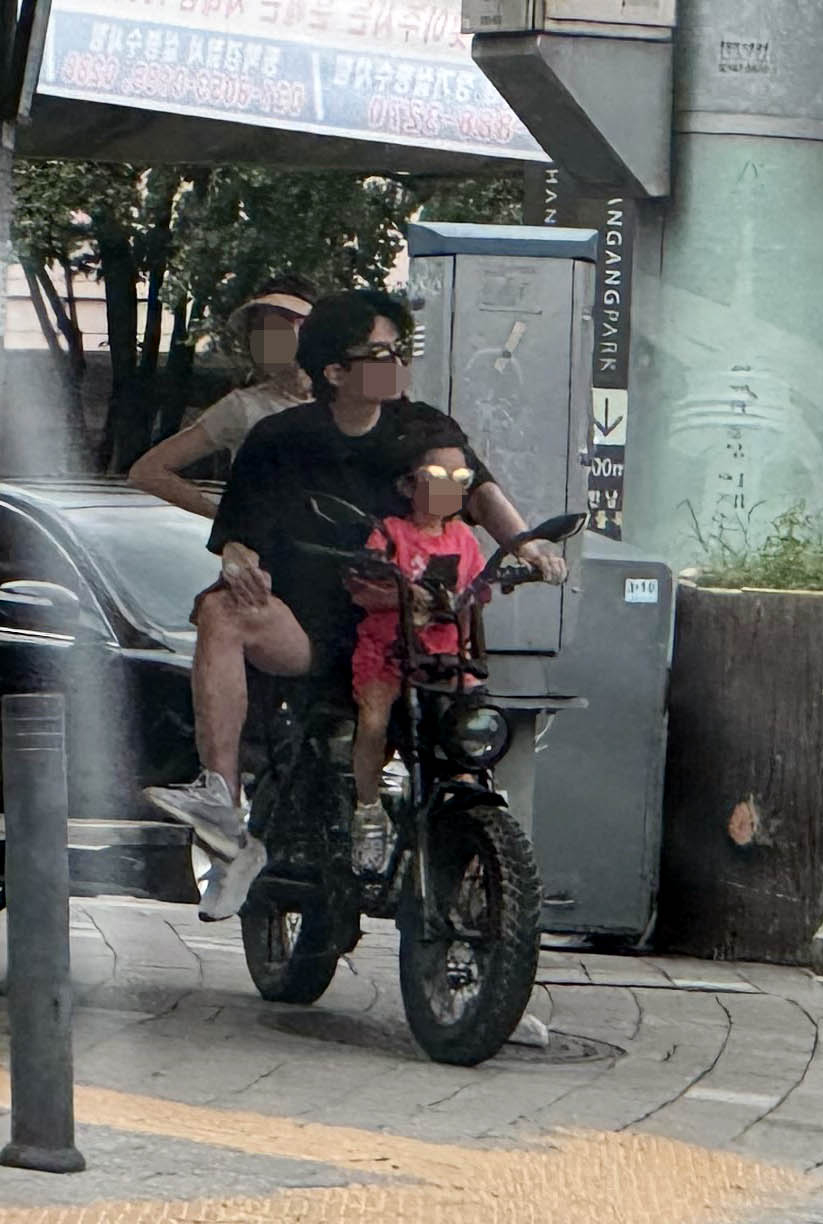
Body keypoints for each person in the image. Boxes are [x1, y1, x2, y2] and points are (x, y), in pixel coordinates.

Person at [144, 290, 567, 919]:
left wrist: (527, 545)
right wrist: (239, 560)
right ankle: (222, 808)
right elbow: (240, 534)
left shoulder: (424, 429)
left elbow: (477, 491)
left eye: (400, 350)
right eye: (377, 353)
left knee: (466, 739)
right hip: (309, 628)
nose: (394, 363)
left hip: (412, 631)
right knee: (220, 610)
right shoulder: (277, 438)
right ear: (334, 372)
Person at [348, 411, 487, 873]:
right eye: (436, 476)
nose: (449, 485)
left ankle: (470, 807)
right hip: (388, 654)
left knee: (469, 729)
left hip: (445, 659)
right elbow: (361, 585)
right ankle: (367, 810)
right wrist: (400, 594)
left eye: (460, 477)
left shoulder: (465, 537)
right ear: (409, 484)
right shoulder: (391, 533)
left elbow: (474, 594)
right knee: (374, 721)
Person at [128, 275, 317, 517]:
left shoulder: (349, 400)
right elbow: (147, 472)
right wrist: (226, 520)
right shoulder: (243, 407)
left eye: (280, 325)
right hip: (267, 553)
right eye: (258, 329)